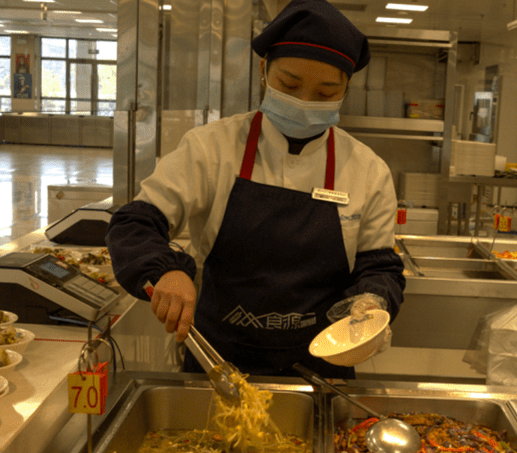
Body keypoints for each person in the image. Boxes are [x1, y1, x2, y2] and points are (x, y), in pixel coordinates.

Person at [107, 0, 404, 379]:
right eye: (289, 84)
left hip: (322, 369)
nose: (304, 102)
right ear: (264, 71)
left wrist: (373, 300)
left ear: (347, 87)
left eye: (326, 93)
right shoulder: (210, 148)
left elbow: (380, 267)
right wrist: (165, 271)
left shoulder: (367, 170)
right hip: (217, 365)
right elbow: (134, 224)